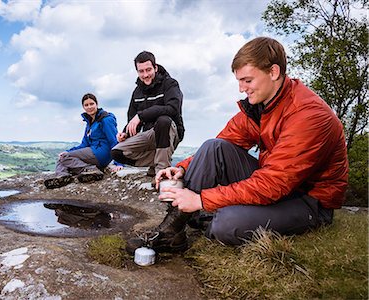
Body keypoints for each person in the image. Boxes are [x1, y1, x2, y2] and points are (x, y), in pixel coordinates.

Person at [126, 37, 349, 254]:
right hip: (277, 185)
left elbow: (273, 184)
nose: (242, 89)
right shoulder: (262, 105)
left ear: (273, 72)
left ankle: (208, 214)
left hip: (308, 201)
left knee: (226, 224)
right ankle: (171, 232)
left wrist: (202, 199)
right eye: (239, 81)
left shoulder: (308, 115)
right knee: (213, 146)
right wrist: (182, 167)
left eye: (248, 80)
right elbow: (223, 143)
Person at [111, 51, 184, 178]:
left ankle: (162, 171)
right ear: (137, 72)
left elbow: (173, 109)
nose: (145, 75)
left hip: (170, 132)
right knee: (117, 152)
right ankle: (156, 162)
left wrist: (141, 116)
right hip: (148, 135)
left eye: (148, 70)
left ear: (155, 68)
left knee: (163, 121)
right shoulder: (137, 92)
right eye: (141, 71)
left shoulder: (170, 84)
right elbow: (132, 119)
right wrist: (125, 133)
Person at [44, 93, 123, 189]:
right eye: (86, 105)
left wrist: (119, 162)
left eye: (92, 104)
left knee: (65, 158)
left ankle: (91, 169)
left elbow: (114, 140)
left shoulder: (105, 119)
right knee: (62, 158)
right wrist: (68, 151)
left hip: (102, 153)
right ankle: (62, 177)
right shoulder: (90, 122)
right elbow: (84, 144)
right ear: (83, 107)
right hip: (92, 151)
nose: (89, 107)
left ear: (97, 104)